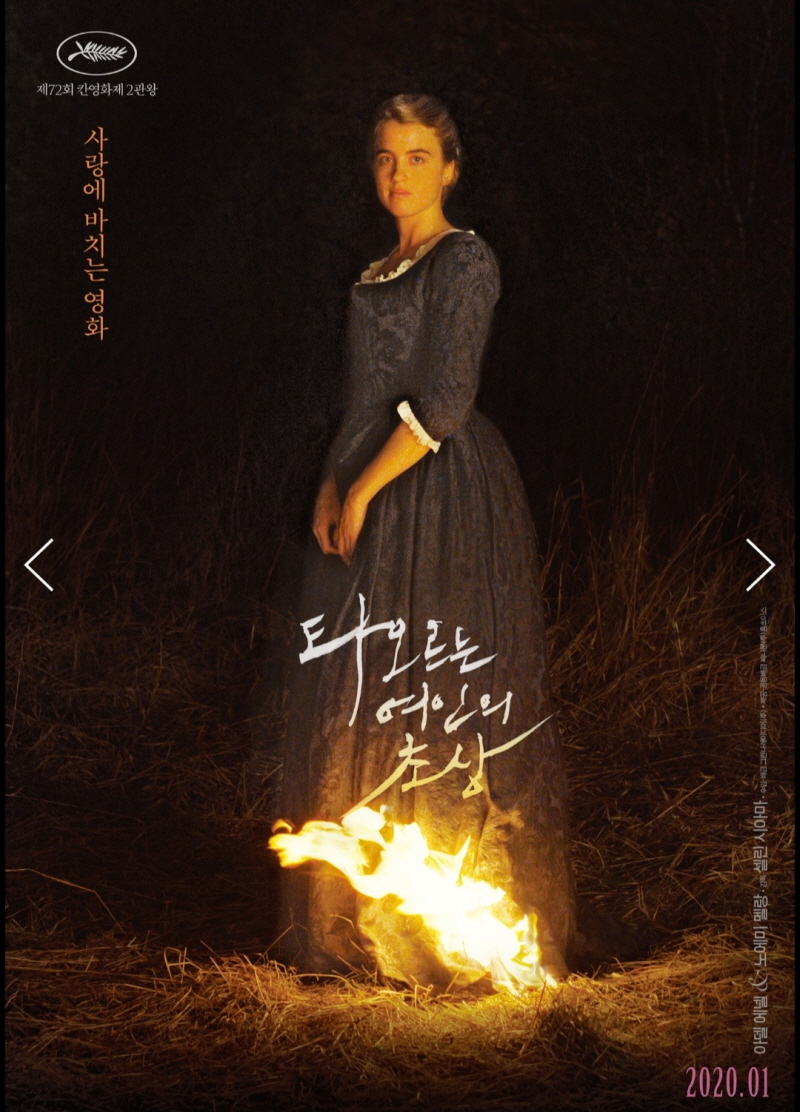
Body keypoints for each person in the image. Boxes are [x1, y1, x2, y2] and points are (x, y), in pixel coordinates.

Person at [275, 94, 576, 985]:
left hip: (441, 491)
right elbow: (361, 398)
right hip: (369, 486)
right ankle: (356, 918)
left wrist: (366, 485)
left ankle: (454, 922)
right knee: (365, 685)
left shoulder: (465, 259)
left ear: (449, 167)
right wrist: (332, 482)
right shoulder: (375, 271)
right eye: (384, 156)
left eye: (416, 156)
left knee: (440, 682)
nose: (397, 173)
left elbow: (443, 403)